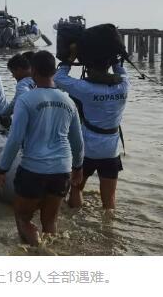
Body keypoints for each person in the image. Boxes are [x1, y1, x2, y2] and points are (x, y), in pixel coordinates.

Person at [0, 51, 84, 241]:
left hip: (33, 169)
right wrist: (78, 168)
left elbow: (15, 139)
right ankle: (51, 254)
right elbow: (77, 141)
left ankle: (41, 253)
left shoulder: (26, 100)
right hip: (62, 168)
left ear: (32, 71)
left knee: (23, 218)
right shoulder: (69, 101)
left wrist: (2, 169)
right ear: (54, 71)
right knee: (50, 222)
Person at [54, 44, 129, 211]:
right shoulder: (124, 85)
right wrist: (115, 55)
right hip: (111, 150)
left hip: (87, 149)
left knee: (76, 188)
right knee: (109, 200)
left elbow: (58, 78)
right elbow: (121, 70)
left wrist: (71, 57)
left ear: (89, 69)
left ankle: (77, 221)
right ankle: (109, 231)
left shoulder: (86, 89)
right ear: (108, 65)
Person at [0, 53, 36, 120]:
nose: (13, 76)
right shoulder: (40, 79)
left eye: (13, 72)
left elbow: (17, 100)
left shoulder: (22, 83)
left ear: (19, 70)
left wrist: (4, 114)